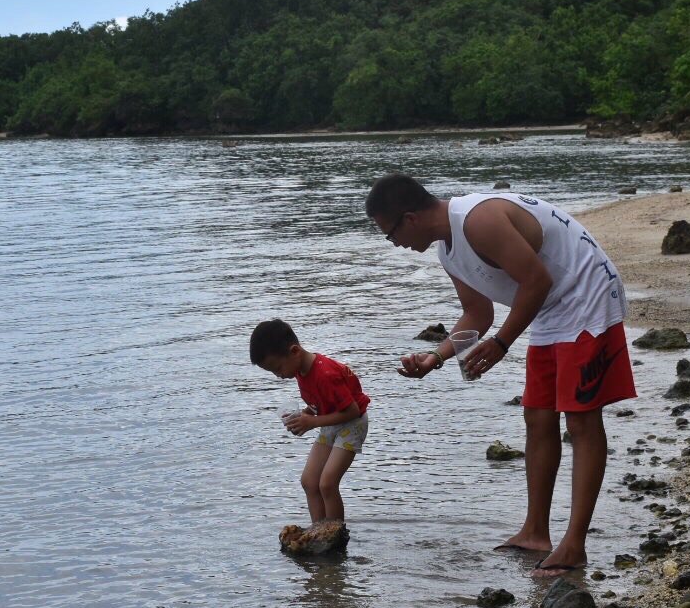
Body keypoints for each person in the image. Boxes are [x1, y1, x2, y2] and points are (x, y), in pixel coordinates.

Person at [364, 175, 635, 577]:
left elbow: (537, 280)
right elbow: (478, 314)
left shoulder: (478, 220)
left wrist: (503, 343)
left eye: (390, 234)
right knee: (538, 416)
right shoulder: (448, 251)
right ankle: (535, 532)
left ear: (410, 218)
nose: (395, 244)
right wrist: (434, 358)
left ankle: (574, 544)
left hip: (586, 293)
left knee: (580, 418)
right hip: (548, 306)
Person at [250, 318, 371, 526]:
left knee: (327, 484)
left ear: (294, 351)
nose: (278, 376)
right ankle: (318, 530)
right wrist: (304, 417)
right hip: (331, 422)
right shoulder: (300, 370)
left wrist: (313, 422)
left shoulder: (325, 373)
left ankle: (334, 535)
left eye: (277, 368)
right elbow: (319, 404)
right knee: (309, 482)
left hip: (352, 424)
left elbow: (353, 410)